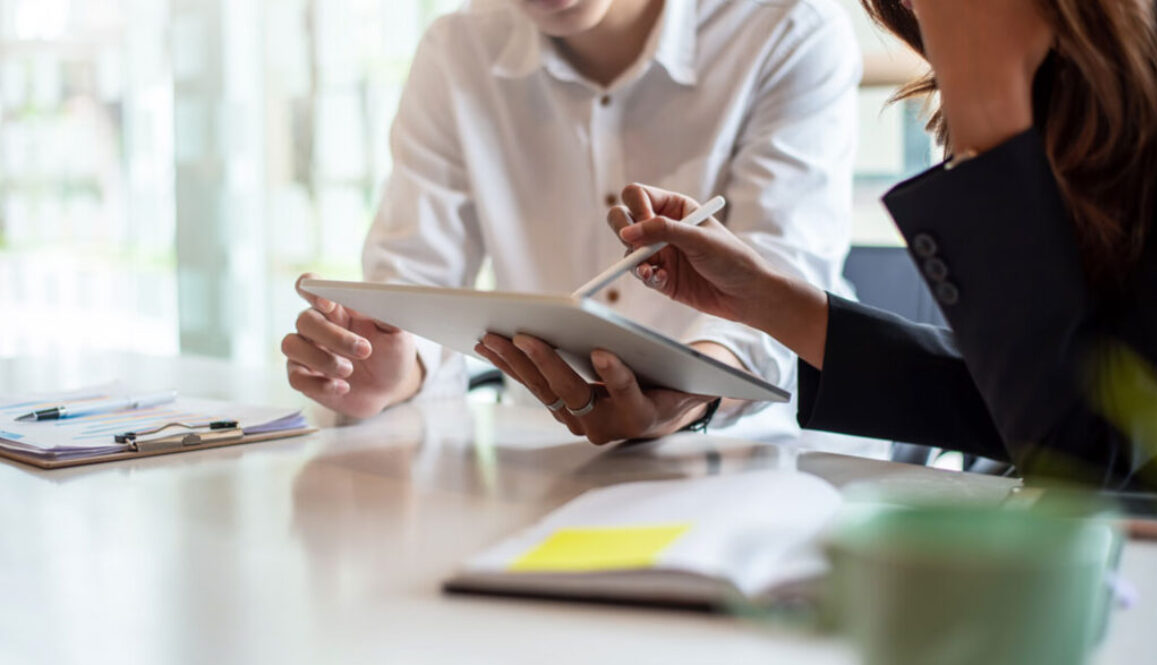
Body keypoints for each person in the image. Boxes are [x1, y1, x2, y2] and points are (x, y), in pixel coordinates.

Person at [509, 0, 1157, 488]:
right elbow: (1025, 405)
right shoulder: (1078, 100)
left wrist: (986, 105)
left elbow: (1086, 464)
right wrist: (766, 300)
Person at [282, 0, 865, 444]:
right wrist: (392, 367)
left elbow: (784, 289)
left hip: (760, 454)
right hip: (547, 455)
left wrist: (687, 395)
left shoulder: (788, 28)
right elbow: (415, 278)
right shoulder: (457, 50)